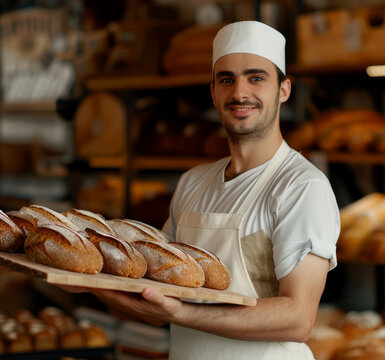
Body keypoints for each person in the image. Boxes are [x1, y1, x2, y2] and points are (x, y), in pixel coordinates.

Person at [83, 21, 340, 359]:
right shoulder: (193, 182)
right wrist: (88, 277)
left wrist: (182, 314)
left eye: (256, 78)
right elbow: (155, 291)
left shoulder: (301, 186)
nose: (239, 93)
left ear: (283, 90)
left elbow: (298, 318)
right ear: (213, 92)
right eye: (226, 79)